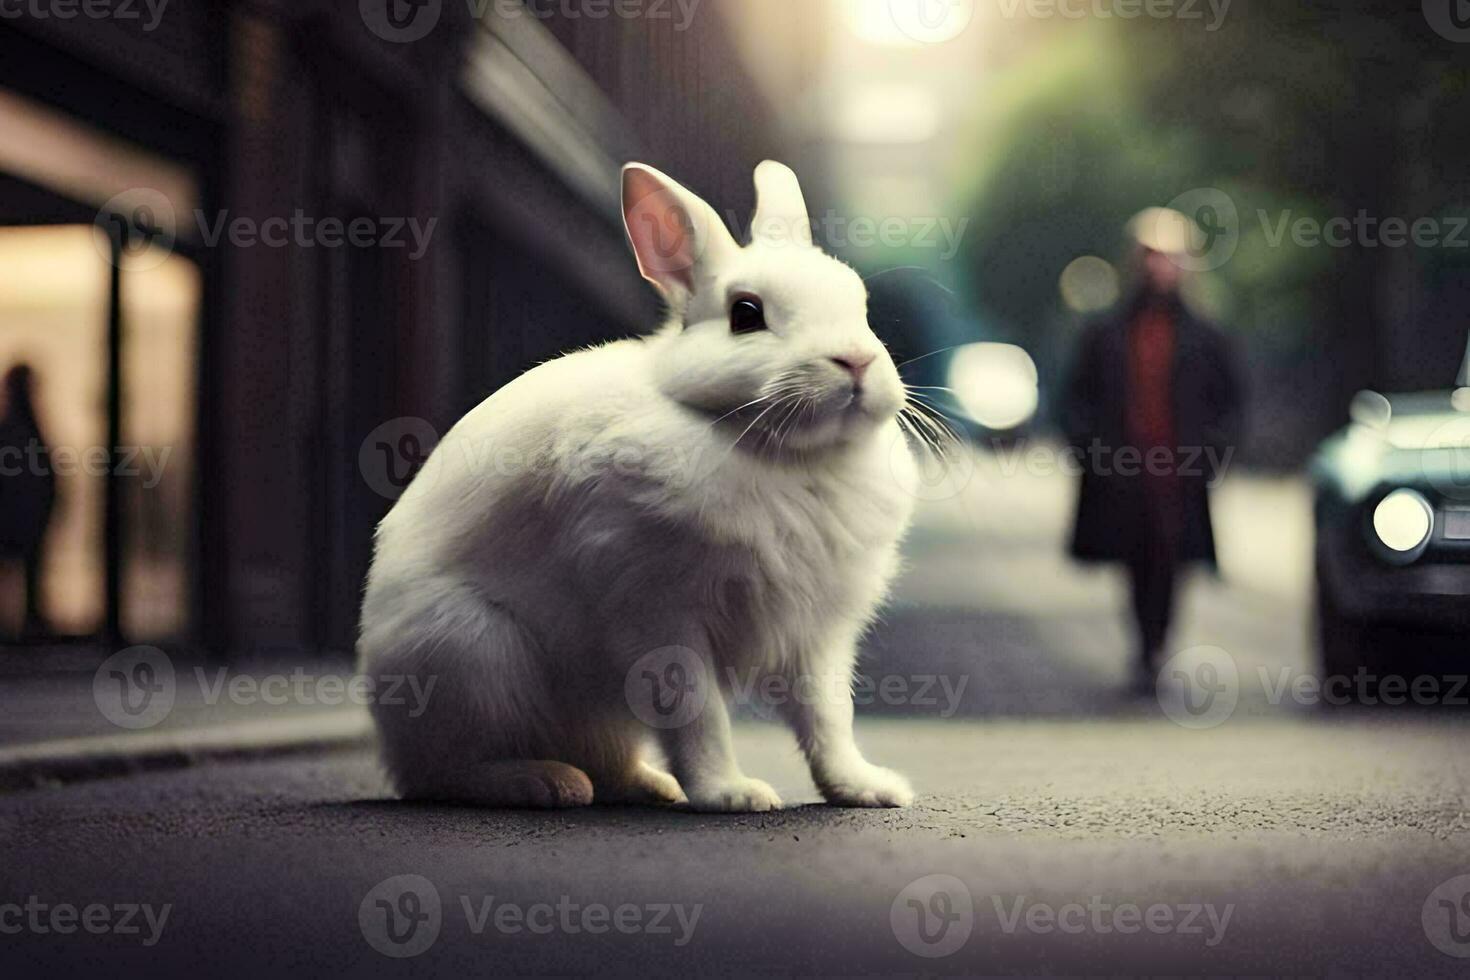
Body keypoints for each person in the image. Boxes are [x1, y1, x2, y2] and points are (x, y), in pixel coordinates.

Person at [1062, 219, 1244, 691]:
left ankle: (1156, 644)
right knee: (1133, 556)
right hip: (1123, 470)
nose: (1161, 266)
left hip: (1178, 472)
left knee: (1170, 556)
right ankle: (1145, 644)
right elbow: (1075, 398)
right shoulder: (1106, 333)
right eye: (1152, 256)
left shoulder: (1206, 335)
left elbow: (1231, 400)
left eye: (1170, 257)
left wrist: (1212, 451)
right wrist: (1091, 449)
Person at [0, 364, 57, 638]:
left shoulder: (20, 429)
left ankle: (27, 624)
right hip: (20, 517)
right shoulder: (21, 430)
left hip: (26, 517)